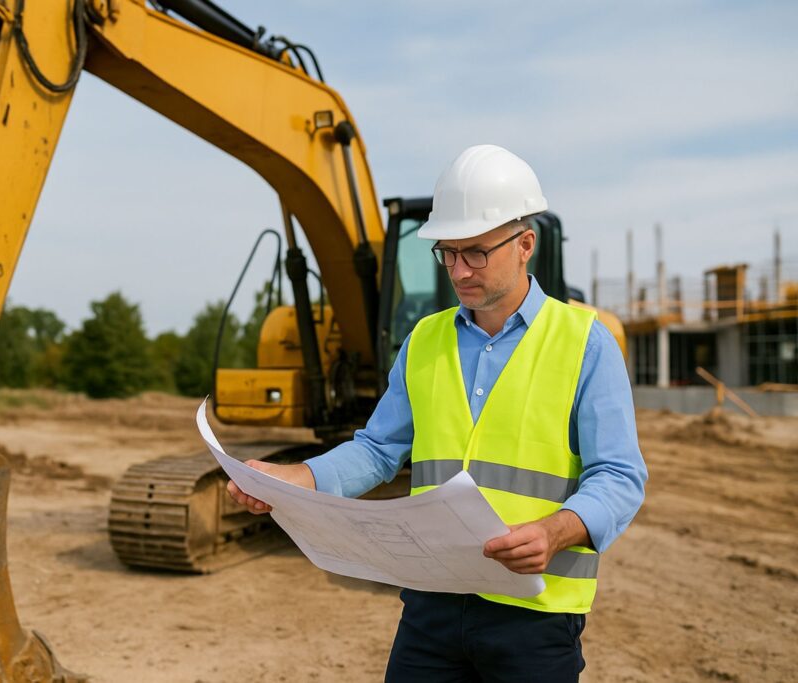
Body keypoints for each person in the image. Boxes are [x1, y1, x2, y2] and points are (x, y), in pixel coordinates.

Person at [226, 144, 647, 682]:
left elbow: (618, 475)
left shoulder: (586, 341)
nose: (458, 269)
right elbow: (377, 450)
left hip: (535, 617)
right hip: (432, 607)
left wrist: (558, 530)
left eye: (475, 252)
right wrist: (297, 477)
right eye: (447, 252)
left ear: (525, 245)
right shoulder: (425, 340)